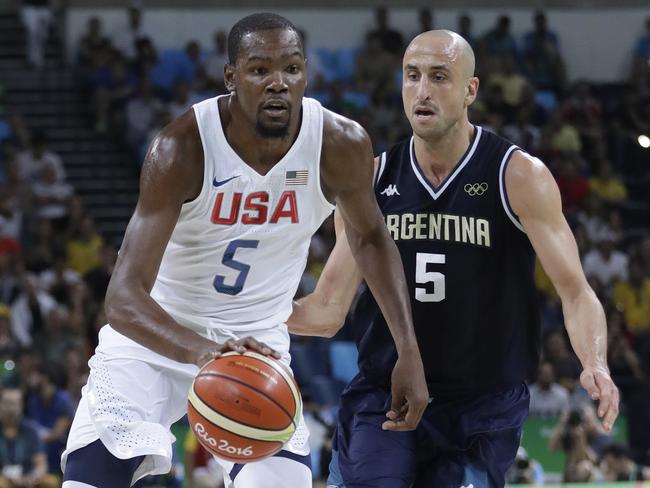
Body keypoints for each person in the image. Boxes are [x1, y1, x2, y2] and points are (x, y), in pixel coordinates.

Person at [60, 13, 427, 488]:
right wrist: (205, 353)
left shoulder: (338, 144)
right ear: (231, 77)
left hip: (256, 345)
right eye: (260, 70)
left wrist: (408, 349)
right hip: (156, 338)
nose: (279, 83)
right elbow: (122, 298)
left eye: (292, 69)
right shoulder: (181, 148)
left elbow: (372, 237)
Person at [289, 30, 619, 487]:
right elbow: (327, 311)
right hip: (387, 394)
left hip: (480, 405)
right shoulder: (371, 179)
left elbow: (575, 291)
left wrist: (595, 362)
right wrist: (236, 318)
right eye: (412, 76)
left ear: (470, 90)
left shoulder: (518, 175)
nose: (422, 90)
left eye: (439, 77)